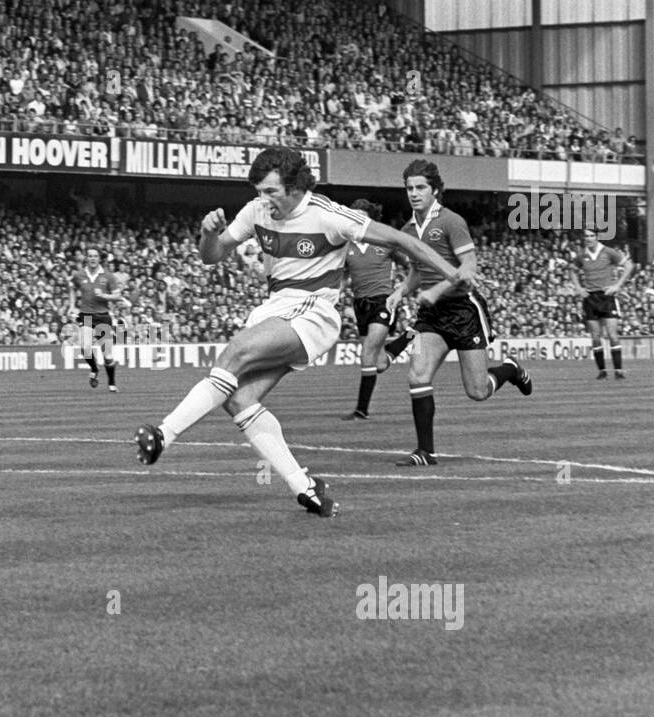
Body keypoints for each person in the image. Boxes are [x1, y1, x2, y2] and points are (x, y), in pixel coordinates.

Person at [133, 147, 477, 517]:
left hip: (313, 311)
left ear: (296, 187)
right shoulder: (255, 211)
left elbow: (401, 241)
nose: (263, 200)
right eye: (259, 191)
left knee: (235, 352)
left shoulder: (328, 215)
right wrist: (207, 233)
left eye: (271, 192)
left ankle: (163, 435)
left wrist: (450, 270)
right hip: (276, 307)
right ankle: (306, 489)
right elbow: (212, 255)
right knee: (240, 400)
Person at [389, 159, 532, 467]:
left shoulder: (451, 221)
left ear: (435, 190)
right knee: (417, 375)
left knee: (477, 391)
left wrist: (435, 291)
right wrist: (401, 291)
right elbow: (416, 270)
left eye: (420, 187)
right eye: (409, 188)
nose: (413, 193)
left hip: (463, 309)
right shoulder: (407, 228)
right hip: (432, 316)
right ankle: (426, 451)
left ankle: (509, 369)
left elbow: (469, 269)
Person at [340, 198, 415, 420]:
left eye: (361, 216)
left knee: (367, 353)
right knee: (379, 363)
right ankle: (411, 334)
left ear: (369, 220)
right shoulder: (346, 247)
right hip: (360, 304)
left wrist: (400, 291)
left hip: (383, 302)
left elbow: (412, 267)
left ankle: (361, 410)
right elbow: (343, 278)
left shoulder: (384, 242)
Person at [569, 228, 633, 379]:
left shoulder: (608, 252)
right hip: (590, 298)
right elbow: (572, 270)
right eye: (586, 236)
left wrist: (617, 285)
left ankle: (618, 371)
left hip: (606, 296)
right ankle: (602, 371)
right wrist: (578, 288)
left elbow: (629, 266)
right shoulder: (581, 256)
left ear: (597, 237)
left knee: (612, 335)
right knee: (596, 336)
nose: (589, 238)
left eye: (592, 236)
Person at [69, 247, 122, 392]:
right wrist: (72, 306)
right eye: (90, 256)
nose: (92, 258)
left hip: (103, 317)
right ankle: (94, 368)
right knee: (85, 348)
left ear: (100, 259)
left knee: (108, 356)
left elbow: (118, 296)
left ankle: (111, 382)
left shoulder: (108, 276)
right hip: (86, 315)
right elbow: (72, 288)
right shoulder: (79, 275)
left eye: (95, 256)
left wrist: (104, 296)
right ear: (86, 258)